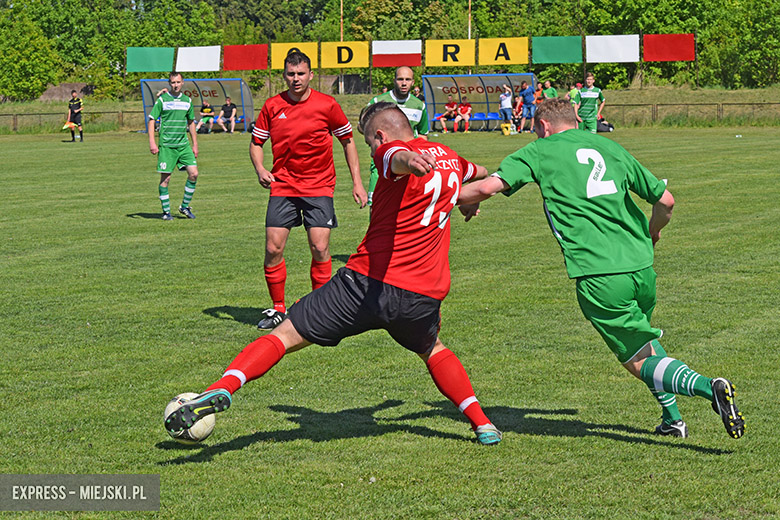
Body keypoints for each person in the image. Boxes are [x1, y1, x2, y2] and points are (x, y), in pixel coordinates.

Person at [164, 102, 502, 446]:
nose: (372, 149)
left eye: (370, 142)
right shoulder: (447, 155)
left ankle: (222, 388)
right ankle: (483, 424)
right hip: (422, 294)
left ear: (380, 135)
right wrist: (467, 198)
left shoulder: (391, 152)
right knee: (433, 349)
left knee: (284, 334)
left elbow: (396, 156)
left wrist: (409, 161)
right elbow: (480, 171)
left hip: (367, 285)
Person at [458, 98, 745, 440]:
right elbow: (665, 201)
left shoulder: (540, 151)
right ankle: (672, 419)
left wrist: (439, 198)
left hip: (599, 273)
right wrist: (653, 232)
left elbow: (487, 186)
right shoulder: (609, 145)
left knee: (636, 359)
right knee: (643, 341)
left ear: (543, 126)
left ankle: (708, 387)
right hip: (641, 267)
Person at [250, 51, 367, 330]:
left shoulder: (327, 105)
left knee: (319, 247)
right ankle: (278, 309)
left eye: (301, 73)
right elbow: (256, 143)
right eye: (291, 74)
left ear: (311, 75)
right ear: (284, 75)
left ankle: (318, 308)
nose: (296, 79)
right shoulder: (272, 106)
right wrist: (260, 169)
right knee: (273, 248)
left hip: (319, 186)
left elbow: (348, 142)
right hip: (283, 186)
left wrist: (357, 182)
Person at [365, 66, 429, 205]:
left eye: (408, 79)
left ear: (413, 82)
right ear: (394, 81)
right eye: (400, 79)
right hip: (381, 162)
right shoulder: (378, 102)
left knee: (405, 205)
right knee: (376, 204)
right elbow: (362, 126)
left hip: (408, 163)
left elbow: (423, 135)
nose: (404, 83)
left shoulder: (419, 106)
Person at [147, 71, 199, 221]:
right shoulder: (163, 100)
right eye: (173, 82)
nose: (175, 85)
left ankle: (184, 206)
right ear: (169, 84)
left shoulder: (187, 101)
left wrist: (195, 144)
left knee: (194, 174)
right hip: (167, 146)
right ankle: (166, 212)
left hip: (183, 145)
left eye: (178, 82)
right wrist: (152, 142)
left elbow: (191, 123)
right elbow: (152, 120)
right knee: (166, 179)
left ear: (183, 83)